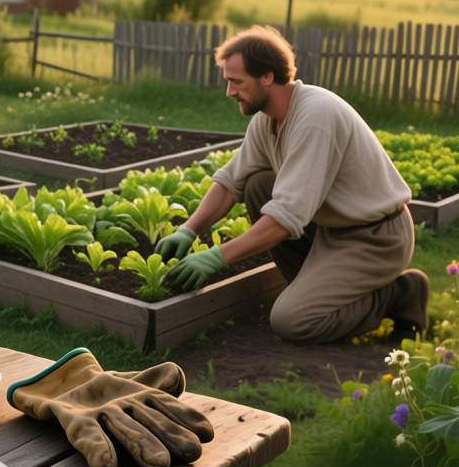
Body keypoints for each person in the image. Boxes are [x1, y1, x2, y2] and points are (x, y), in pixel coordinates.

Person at [159, 25, 428, 344]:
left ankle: (399, 294)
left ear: (267, 77)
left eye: (236, 82)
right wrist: (189, 229)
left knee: (292, 321)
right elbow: (233, 180)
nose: (230, 92)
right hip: (331, 228)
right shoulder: (268, 117)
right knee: (258, 184)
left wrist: (218, 257)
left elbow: (287, 216)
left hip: (374, 238)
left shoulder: (315, 117)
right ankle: (317, 289)